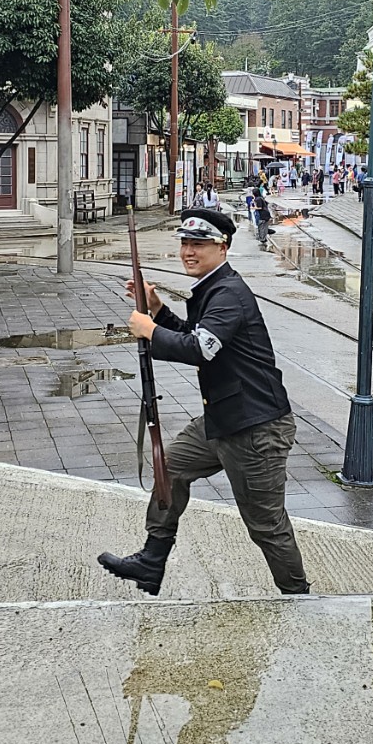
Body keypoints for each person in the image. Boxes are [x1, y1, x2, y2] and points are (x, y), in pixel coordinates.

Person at [98, 209, 310, 597]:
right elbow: (196, 335)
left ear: (222, 247)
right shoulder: (212, 287)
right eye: (184, 243)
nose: (188, 252)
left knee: (266, 525)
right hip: (223, 417)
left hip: (256, 428)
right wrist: (158, 311)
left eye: (198, 244)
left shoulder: (228, 293)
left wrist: (150, 330)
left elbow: (200, 348)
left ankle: (299, 598)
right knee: (170, 469)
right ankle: (152, 560)